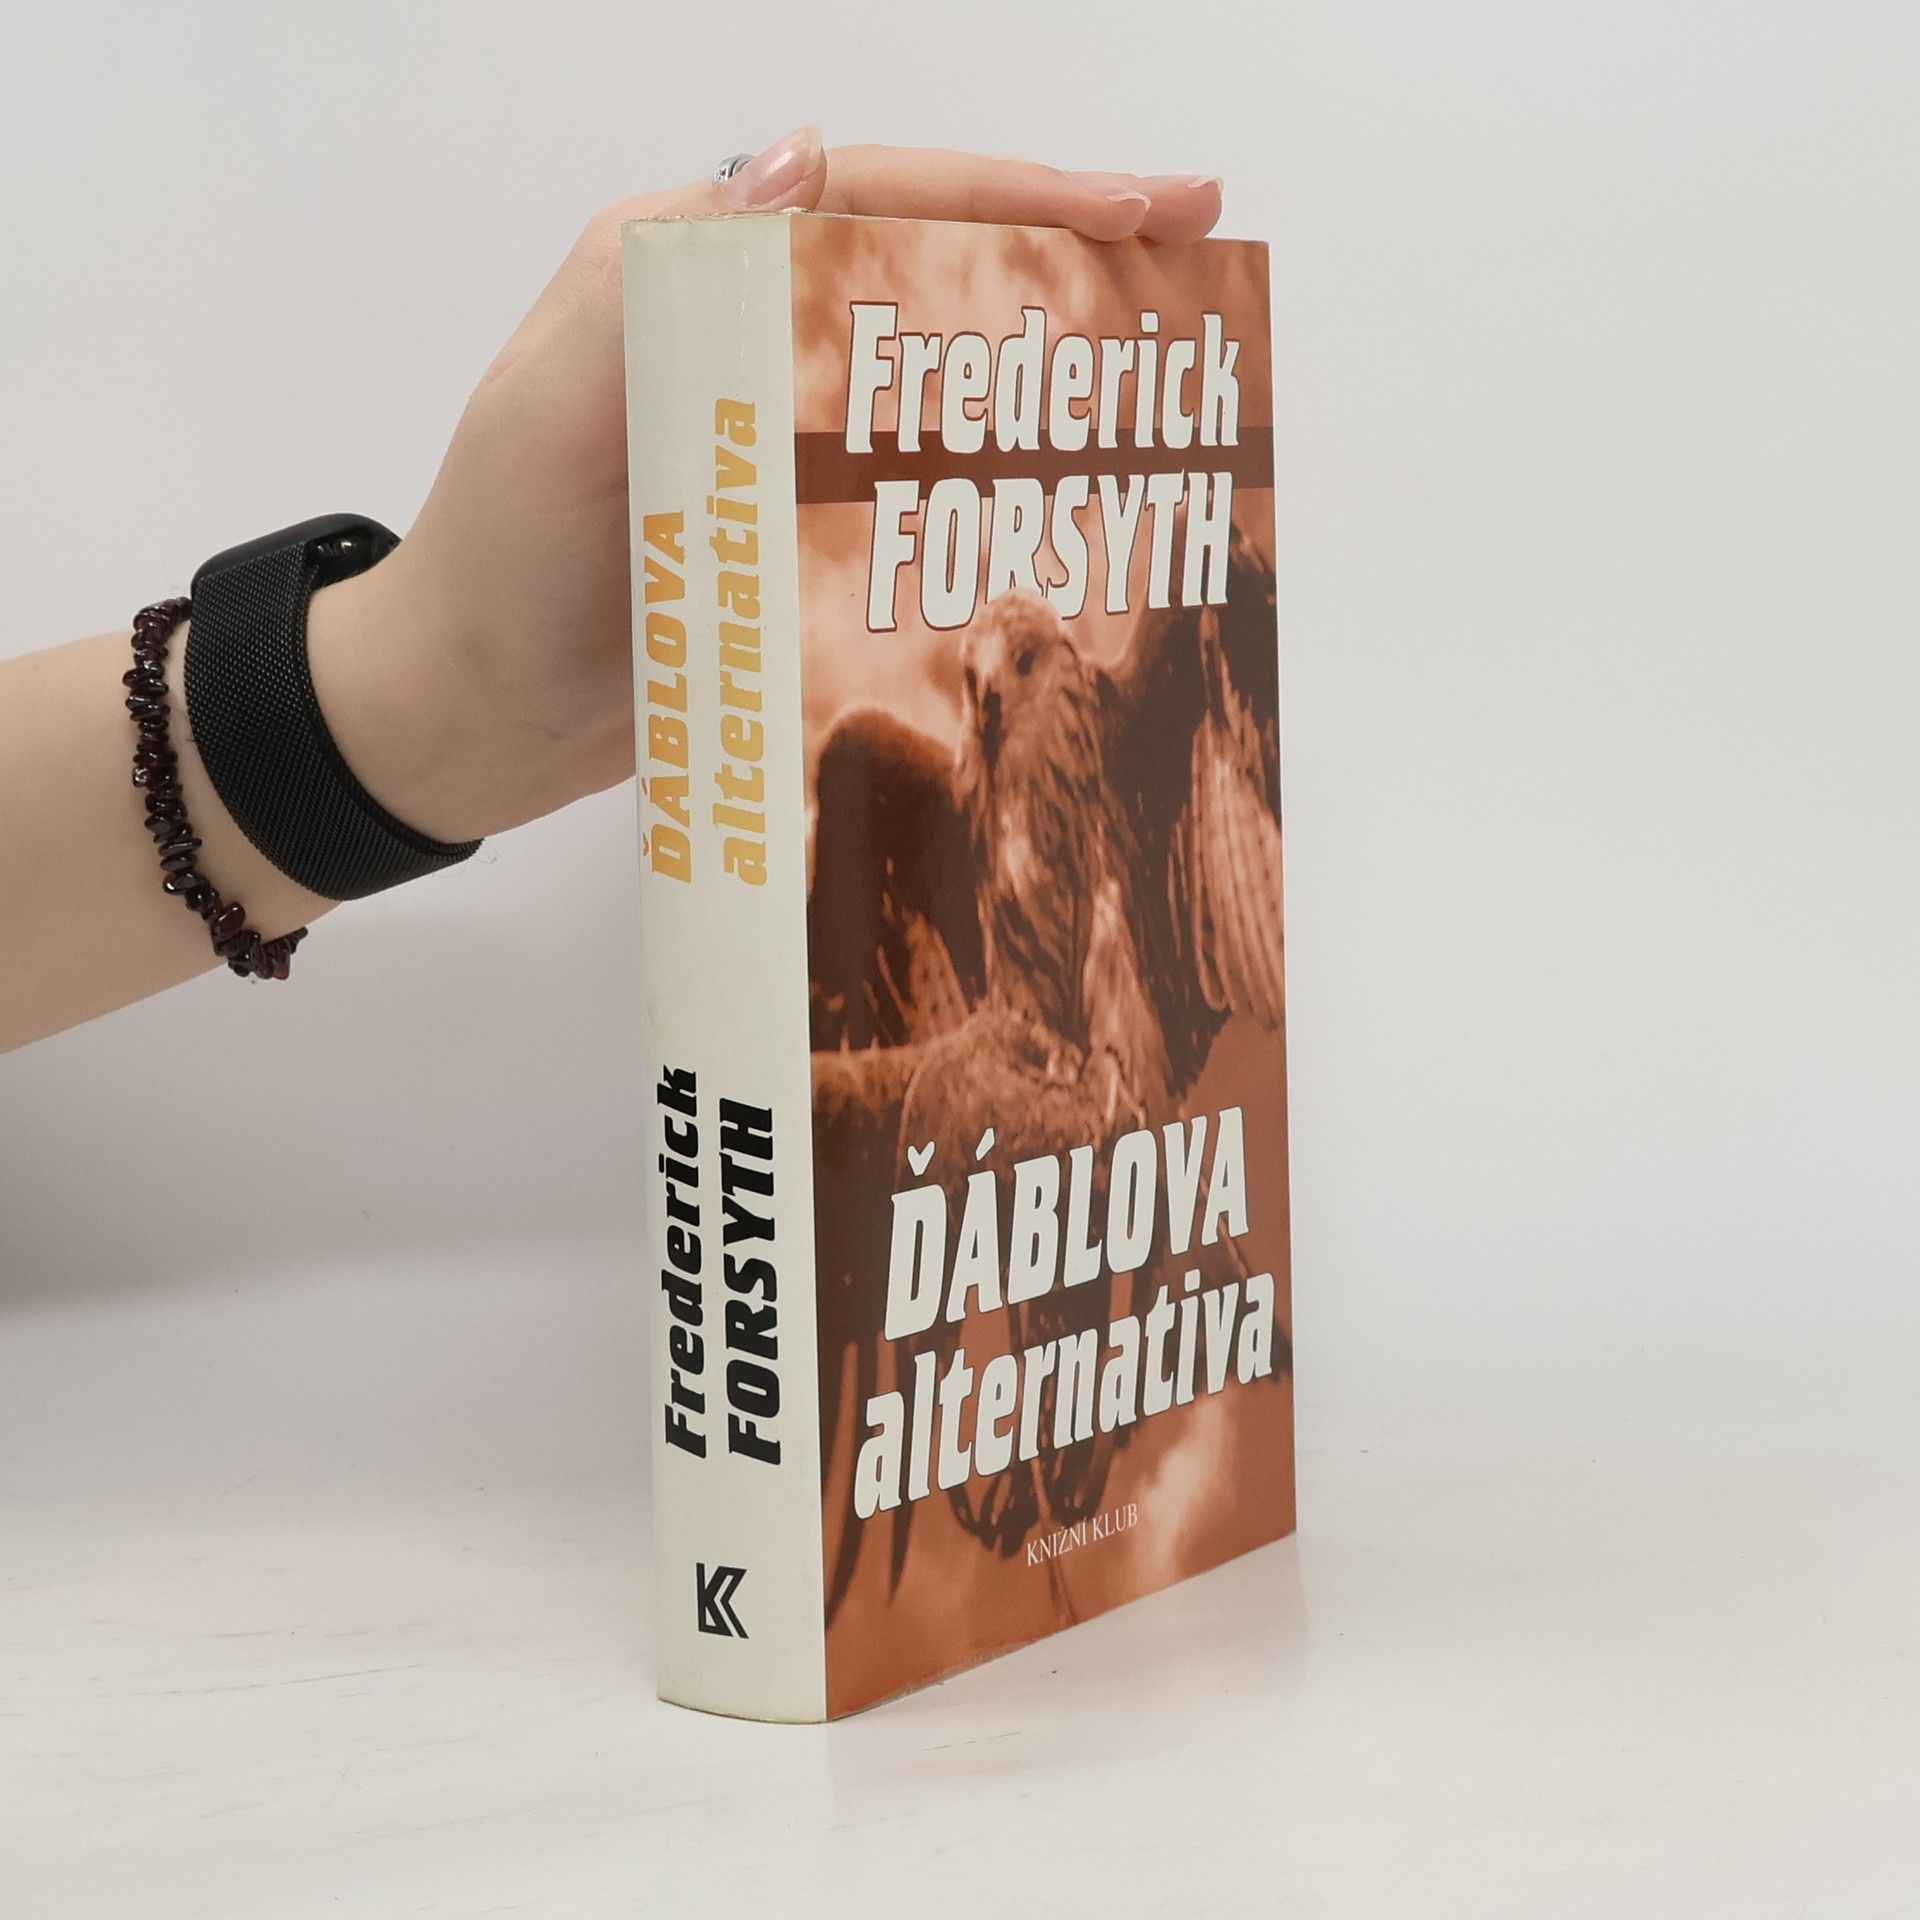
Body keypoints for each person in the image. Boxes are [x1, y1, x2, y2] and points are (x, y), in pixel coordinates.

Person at [0, 131, 1224, 1053]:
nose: (986, 699)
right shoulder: (953, 764)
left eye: (1011, 669)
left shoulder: (1155, 690)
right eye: (979, 672)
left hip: (1123, 1031)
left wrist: (431, 691)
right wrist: (440, 683)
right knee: (859, 760)